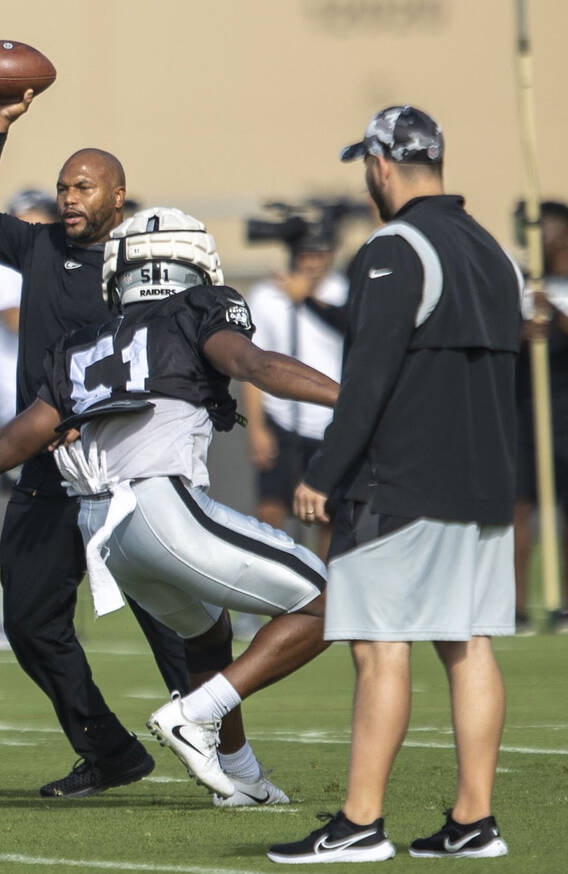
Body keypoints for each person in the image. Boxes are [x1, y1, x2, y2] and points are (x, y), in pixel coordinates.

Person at [0, 207, 341, 808]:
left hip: (107, 534)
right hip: (164, 508)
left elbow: (3, 448)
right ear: (195, 262)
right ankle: (195, 715)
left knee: (207, 638)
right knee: (330, 602)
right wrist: (354, 399)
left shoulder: (80, 343)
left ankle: (242, 780)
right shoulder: (196, 311)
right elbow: (256, 366)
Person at [270, 106, 520, 863]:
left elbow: (368, 380)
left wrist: (323, 473)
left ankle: (359, 823)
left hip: (401, 485)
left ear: (381, 164)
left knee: (380, 649)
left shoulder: (392, 247)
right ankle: (475, 821)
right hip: (483, 485)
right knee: (468, 643)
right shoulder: (496, 253)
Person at [0, 91, 192, 799]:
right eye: (62, 187)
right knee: (28, 619)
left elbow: (167, 354)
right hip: (46, 467)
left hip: (121, 466)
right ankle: (110, 752)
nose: (68, 198)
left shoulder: (142, 265)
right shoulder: (40, 246)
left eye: (83, 187)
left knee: (166, 614)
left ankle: (225, 746)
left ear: (119, 194)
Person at [0, 188, 58, 651]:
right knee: (28, 514)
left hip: (62, 404)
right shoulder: (0, 265)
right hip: (24, 408)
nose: (32, 231)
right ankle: (11, 618)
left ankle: (40, 616)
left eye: (39, 221)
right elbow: (18, 320)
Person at [244, 228, 348, 560]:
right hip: (282, 420)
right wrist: (257, 428)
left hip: (330, 422)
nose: (314, 263)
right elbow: (252, 364)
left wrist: (307, 298)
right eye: (306, 255)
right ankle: (258, 600)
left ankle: (324, 600)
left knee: (328, 515)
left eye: (321, 254)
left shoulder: (344, 292)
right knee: (270, 513)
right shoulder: (265, 296)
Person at [513, 200, 568, 634]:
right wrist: (522, 330)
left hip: (564, 413)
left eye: (545, 226)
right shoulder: (520, 281)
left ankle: (563, 604)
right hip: (523, 413)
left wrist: (557, 315)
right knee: (518, 509)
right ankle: (517, 608)